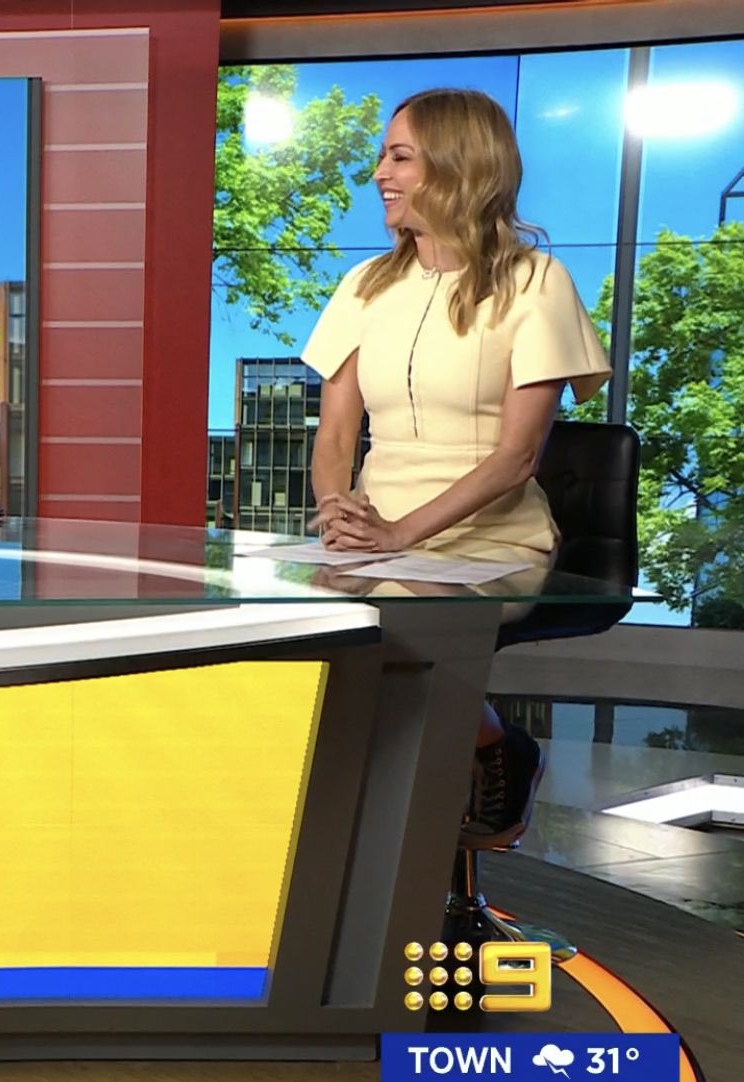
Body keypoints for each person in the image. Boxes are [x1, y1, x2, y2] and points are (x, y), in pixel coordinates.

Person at [300, 88, 610, 850]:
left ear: (458, 166)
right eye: (384, 156)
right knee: (297, 628)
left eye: (400, 156)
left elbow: (517, 457)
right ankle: (363, 838)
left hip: (490, 542)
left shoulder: (535, 282)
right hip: (377, 539)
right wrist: (337, 509)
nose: (380, 173)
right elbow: (335, 434)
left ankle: (492, 748)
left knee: (387, 619)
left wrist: (398, 535)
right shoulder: (364, 286)